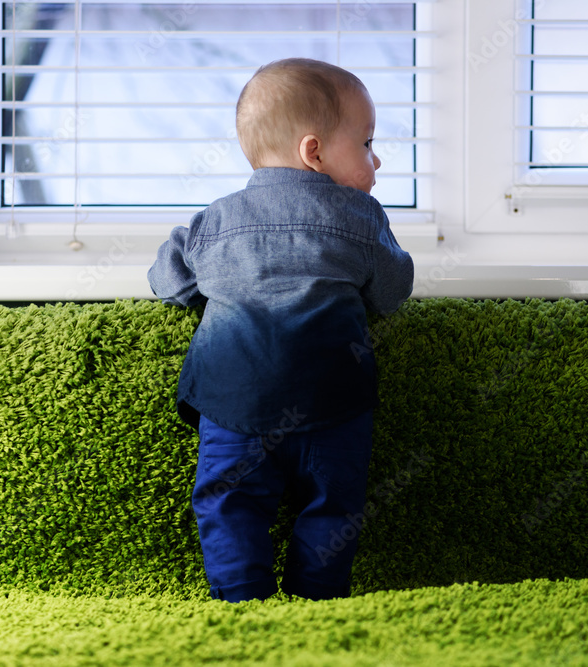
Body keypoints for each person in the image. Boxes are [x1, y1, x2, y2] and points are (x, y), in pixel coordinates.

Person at [148, 57, 414, 602]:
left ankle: (241, 597)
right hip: (331, 404)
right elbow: (391, 293)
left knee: (228, 500)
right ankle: (316, 599)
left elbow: (169, 281)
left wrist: (215, 289)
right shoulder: (363, 220)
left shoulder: (214, 220)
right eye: (366, 143)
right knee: (334, 505)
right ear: (313, 152)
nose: (377, 158)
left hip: (234, 404)